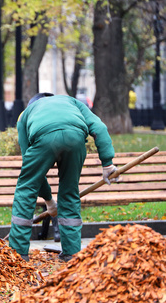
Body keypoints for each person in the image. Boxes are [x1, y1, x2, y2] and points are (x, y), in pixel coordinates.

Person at [9, 93, 118, 262]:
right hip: (75, 137)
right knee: (69, 193)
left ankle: (18, 254)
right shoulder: (72, 102)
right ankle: (71, 253)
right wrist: (107, 163)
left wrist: (48, 200)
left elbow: (32, 177)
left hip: (43, 137)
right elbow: (100, 128)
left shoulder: (25, 115)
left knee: (26, 190)